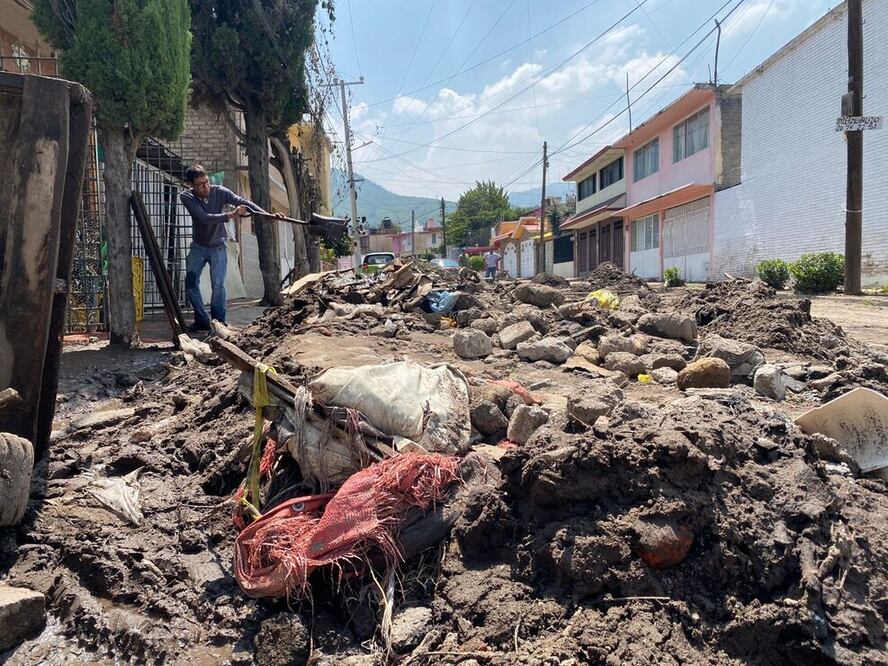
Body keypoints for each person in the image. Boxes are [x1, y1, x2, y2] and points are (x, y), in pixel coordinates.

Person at [179, 164, 282, 332]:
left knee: (218, 285)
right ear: (191, 185)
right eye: (200, 185)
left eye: (206, 182)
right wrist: (231, 215)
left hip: (218, 246)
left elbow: (244, 202)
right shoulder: (187, 197)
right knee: (190, 284)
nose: (205, 187)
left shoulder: (219, 191)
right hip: (198, 247)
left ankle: (219, 322)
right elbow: (203, 218)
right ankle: (202, 320)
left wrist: (268, 215)